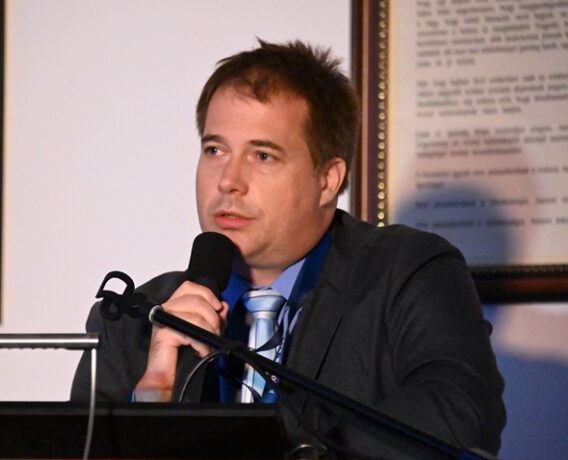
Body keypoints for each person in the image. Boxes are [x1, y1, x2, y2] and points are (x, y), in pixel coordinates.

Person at [71, 39, 505, 458]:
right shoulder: (134, 318)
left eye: (263, 156)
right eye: (215, 149)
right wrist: (155, 391)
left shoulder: (406, 272)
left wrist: (273, 442)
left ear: (328, 180)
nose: (228, 181)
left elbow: (460, 416)